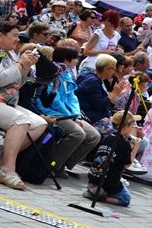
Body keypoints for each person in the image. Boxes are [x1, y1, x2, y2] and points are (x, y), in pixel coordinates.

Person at [0, 21, 46, 190]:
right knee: (20, 120)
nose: (17, 39)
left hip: (6, 101)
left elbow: (16, 85)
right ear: (0, 35)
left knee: (39, 123)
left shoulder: (10, 54)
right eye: (13, 35)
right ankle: (8, 169)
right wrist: (20, 64)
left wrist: (25, 67)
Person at [35, 45, 102, 177]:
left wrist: (76, 116)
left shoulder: (67, 74)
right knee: (78, 134)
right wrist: (71, 117)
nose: (77, 61)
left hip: (69, 114)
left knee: (94, 136)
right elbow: (54, 101)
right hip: (52, 113)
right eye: (75, 58)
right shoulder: (52, 72)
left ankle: (62, 164)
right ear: (67, 59)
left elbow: (72, 98)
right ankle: (50, 164)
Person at [83, 109, 138, 206]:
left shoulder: (106, 138)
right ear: (126, 126)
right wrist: (135, 148)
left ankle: (94, 191)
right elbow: (127, 165)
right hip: (108, 183)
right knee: (126, 199)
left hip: (93, 178)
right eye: (132, 126)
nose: (132, 129)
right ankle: (100, 197)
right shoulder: (124, 144)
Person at [80, 10, 122, 75]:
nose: (106, 23)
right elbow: (86, 52)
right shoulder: (98, 33)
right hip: (91, 65)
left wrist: (117, 51)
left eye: (109, 21)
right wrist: (102, 52)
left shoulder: (117, 35)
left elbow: (112, 50)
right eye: (105, 20)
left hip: (104, 68)